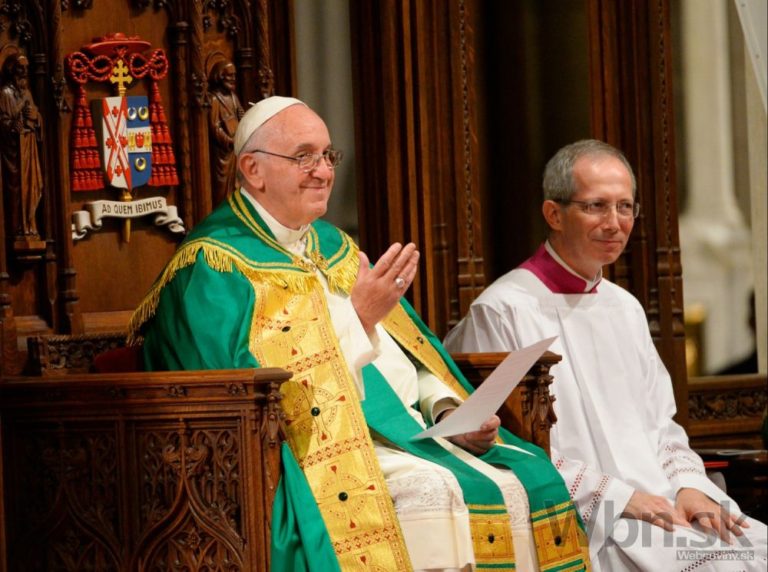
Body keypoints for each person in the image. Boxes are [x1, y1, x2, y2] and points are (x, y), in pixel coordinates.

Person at [128, 96, 590, 571]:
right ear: (253, 170)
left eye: (328, 155)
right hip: (303, 457)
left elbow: (409, 358)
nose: (324, 171)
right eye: (304, 156)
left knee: (529, 478)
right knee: (437, 490)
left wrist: (449, 411)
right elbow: (246, 398)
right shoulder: (214, 267)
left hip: (405, 433)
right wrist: (358, 319)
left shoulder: (334, 246)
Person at [443, 139, 767, 571]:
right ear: (553, 214)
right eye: (595, 206)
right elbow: (507, 447)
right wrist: (619, 497)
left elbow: (661, 425)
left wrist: (690, 487)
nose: (614, 223)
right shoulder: (503, 310)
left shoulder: (624, 307)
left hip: (663, 503)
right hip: (587, 519)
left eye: (625, 207)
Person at [0, 52, 43, 238]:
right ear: (12, 70)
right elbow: (3, 121)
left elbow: (37, 117)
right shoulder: (5, 94)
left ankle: (31, 225)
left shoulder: (27, 93)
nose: (24, 72)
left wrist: (36, 117)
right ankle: (19, 228)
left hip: (29, 146)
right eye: (20, 68)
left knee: (33, 186)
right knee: (18, 189)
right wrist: (11, 126)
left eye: (26, 68)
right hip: (14, 151)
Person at [208, 60, 244, 205]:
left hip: (236, 150)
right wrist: (229, 141)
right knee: (223, 188)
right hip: (224, 154)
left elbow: (240, 116)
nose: (233, 79)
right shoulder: (214, 99)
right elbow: (215, 127)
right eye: (229, 75)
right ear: (220, 76)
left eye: (234, 75)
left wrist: (243, 117)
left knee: (238, 184)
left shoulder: (233, 97)